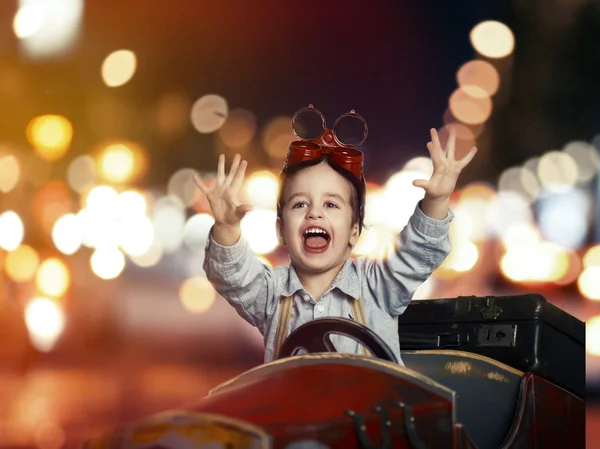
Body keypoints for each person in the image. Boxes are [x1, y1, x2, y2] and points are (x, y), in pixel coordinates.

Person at [196, 109, 476, 365]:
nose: (315, 214)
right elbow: (233, 276)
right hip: (295, 417)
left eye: (331, 205)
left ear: (354, 232)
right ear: (281, 230)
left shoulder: (378, 286)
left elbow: (418, 253)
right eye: (300, 204)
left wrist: (437, 200)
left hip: (369, 417)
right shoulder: (271, 294)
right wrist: (225, 227)